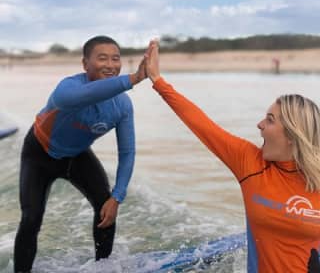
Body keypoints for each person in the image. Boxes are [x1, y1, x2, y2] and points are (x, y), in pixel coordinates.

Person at [144, 40, 320, 272]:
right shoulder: (251, 163)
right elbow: (203, 126)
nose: (259, 125)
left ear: (292, 133)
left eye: (270, 119)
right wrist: (158, 81)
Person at [14, 36, 149, 273]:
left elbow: (127, 151)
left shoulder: (123, 106)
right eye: (102, 58)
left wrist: (117, 197)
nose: (110, 64)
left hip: (77, 156)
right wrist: (134, 78)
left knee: (105, 208)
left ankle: (102, 268)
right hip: (39, 154)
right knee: (31, 217)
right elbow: (73, 100)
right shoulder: (68, 88)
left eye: (115, 58)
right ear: (85, 64)